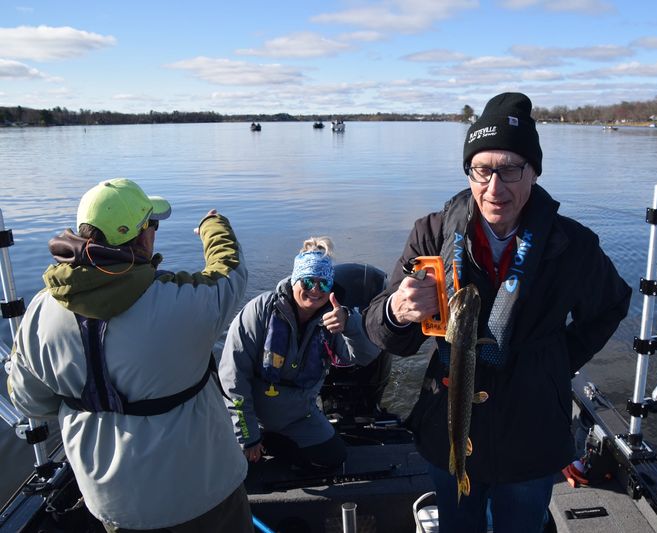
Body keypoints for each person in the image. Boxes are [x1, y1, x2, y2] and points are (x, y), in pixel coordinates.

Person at [363, 93, 632, 533]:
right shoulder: (431, 233)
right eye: (482, 169)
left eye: (510, 169)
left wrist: (557, 361)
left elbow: (611, 306)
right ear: (469, 170)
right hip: (447, 425)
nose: (494, 187)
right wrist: (398, 310)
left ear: (534, 171)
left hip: (532, 435)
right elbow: (382, 330)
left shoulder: (574, 245)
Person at [7, 178, 253, 532]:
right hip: (204, 494)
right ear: (141, 237)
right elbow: (229, 270)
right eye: (152, 224)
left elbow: (30, 402)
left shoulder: (40, 311)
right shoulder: (183, 302)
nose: (154, 232)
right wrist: (215, 226)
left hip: (114, 506)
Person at [219, 236, 380, 470]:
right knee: (238, 469)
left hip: (298, 417)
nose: (315, 290)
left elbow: (366, 357)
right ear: (294, 280)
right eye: (307, 282)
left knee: (334, 458)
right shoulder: (258, 312)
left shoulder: (334, 318)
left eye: (323, 284)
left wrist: (350, 324)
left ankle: (274, 444)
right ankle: (259, 440)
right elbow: (233, 379)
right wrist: (248, 436)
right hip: (254, 416)